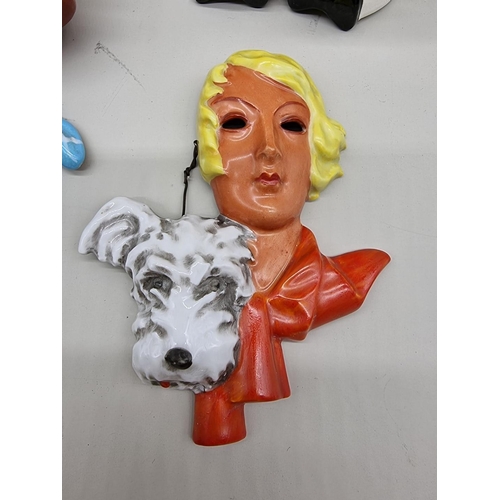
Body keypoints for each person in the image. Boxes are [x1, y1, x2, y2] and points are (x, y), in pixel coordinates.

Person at [192, 50, 390, 445]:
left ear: (316, 152)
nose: (268, 149)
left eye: (291, 125)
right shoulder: (182, 282)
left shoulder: (350, 279)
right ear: (208, 152)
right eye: (236, 123)